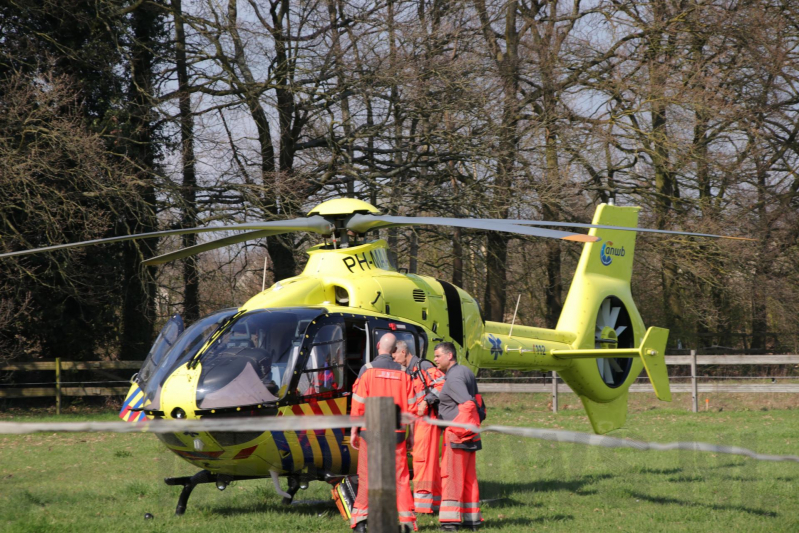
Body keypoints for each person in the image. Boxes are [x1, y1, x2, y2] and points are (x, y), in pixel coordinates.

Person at [349, 333, 417, 532]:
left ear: (378, 346)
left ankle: (360, 522)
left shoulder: (367, 371)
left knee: (367, 476)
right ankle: (407, 522)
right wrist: (411, 435)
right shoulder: (405, 374)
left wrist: (354, 430)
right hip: (395, 433)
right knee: (401, 479)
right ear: (395, 350)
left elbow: (358, 404)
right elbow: (411, 409)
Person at [433, 342, 483, 531]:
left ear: (449, 356)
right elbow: (479, 403)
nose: (435, 360)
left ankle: (450, 522)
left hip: (457, 436)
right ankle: (472, 520)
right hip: (471, 436)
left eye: (438, 356)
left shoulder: (453, 379)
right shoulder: (466, 372)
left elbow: (469, 404)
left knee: (451, 478)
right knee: (470, 479)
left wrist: (460, 429)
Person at [392, 340, 446, 515]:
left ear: (402, 352)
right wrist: (411, 434)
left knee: (421, 462)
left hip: (428, 421)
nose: (392, 358)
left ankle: (422, 507)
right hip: (420, 423)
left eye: (394, 354)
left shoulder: (422, 366)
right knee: (429, 464)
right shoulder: (410, 371)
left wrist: (427, 401)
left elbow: (442, 383)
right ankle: (436, 501)